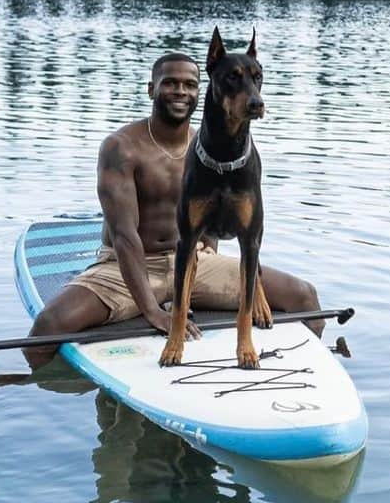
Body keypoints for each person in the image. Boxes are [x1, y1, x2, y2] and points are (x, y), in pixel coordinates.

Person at [24, 51, 321, 368]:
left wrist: (212, 253)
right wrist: (152, 310)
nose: (181, 91)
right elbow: (125, 237)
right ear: (151, 89)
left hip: (195, 263)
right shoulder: (121, 147)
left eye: (190, 85)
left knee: (304, 296)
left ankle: (310, 368)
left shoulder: (209, 148)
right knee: (50, 325)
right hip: (130, 267)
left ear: (202, 90)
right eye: (170, 83)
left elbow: (215, 216)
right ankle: (34, 388)